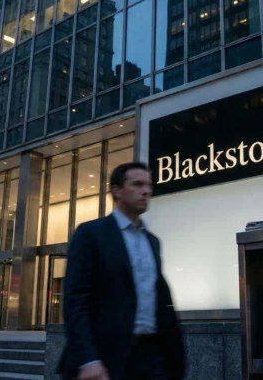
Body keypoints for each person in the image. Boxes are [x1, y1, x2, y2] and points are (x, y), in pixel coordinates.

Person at [58, 162, 186, 380]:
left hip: (151, 357)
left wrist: (175, 359)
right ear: (116, 191)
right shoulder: (91, 234)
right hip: (107, 357)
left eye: (148, 185)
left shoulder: (152, 241)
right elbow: (75, 300)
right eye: (137, 184)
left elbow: (159, 301)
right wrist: (88, 359)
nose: (146, 191)